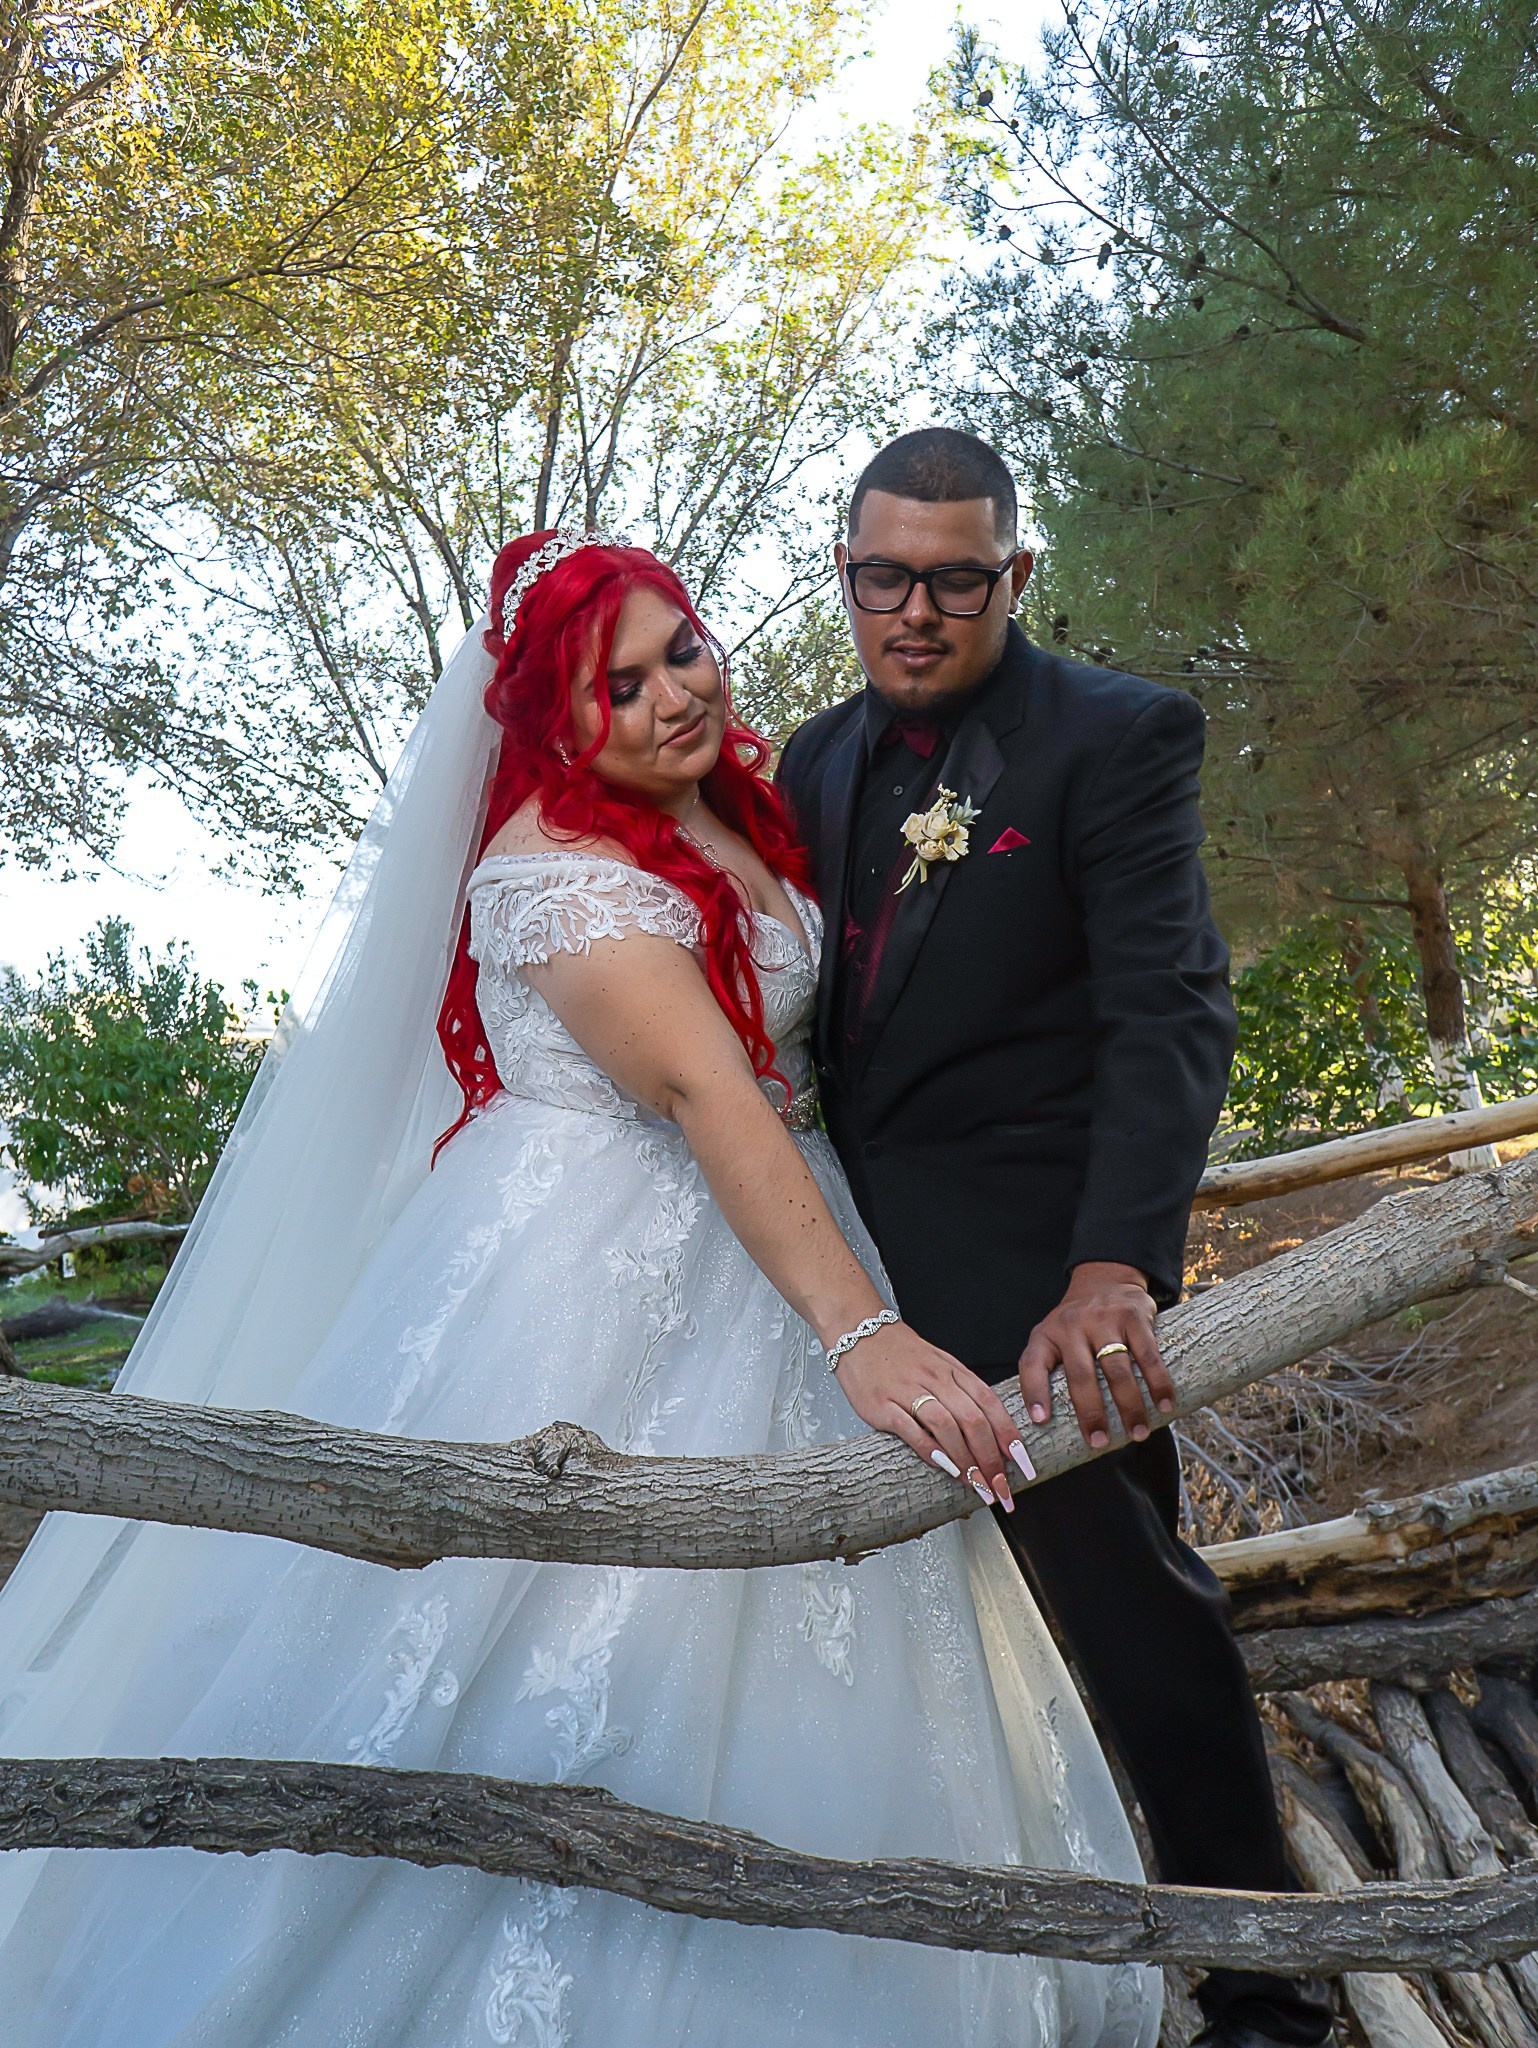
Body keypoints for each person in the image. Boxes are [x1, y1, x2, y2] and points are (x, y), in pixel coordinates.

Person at [0, 530, 1161, 2044]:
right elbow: (705, 1096)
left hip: (774, 1236)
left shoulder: (742, 803)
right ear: (553, 719)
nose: (671, 696)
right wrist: (861, 1334)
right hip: (581, 1278)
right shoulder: (558, 877)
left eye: (681, 648)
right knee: (526, 1641)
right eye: (617, 686)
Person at [776, 428, 1337, 2048]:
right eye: (883, 576)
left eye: (958, 579)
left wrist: (1114, 1265)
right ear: (846, 575)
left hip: (1036, 1281)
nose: (917, 611)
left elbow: (1169, 1005)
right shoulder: (809, 760)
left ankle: (1266, 1985)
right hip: (833, 1285)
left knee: (1129, 1612)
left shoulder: (1117, 734)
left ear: (1013, 576)